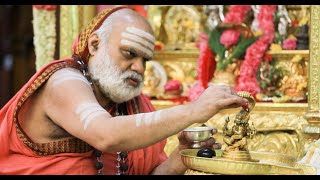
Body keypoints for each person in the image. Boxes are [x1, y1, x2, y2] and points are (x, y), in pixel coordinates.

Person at [0, 6, 247, 175]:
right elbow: (106, 135)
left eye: (145, 60)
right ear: (95, 44)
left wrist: (179, 158)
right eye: (130, 54)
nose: (139, 68)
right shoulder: (63, 82)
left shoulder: (131, 103)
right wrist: (194, 110)